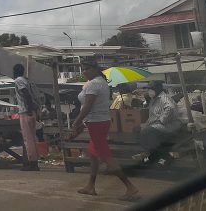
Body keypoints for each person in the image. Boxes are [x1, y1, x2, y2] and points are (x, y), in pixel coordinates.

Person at [72, 61, 139, 201]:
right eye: (82, 69)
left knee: (105, 156)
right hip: (98, 121)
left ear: (95, 69)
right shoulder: (100, 82)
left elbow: (88, 106)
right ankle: (91, 186)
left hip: (96, 122)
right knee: (93, 155)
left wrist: (76, 121)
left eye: (87, 68)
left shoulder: (94, 84)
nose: (84, 71)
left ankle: (130, 186)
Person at [134, 80, 182, 166]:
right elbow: (152, 116)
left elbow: (170, 108)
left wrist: (161, 120)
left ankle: (162, 156)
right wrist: (146, 124)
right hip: (156, 125)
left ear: (157, 89)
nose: (149, 91)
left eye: (150, 89)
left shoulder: (164, 98)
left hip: (168, 125)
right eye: (148, 89)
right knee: (136, 130)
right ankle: (153, 154)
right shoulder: (154, 100)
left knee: (146, 132)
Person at [13, 64, 40, 171]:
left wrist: (28, 109)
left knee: (28, 139)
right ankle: (34, 162)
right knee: (32, 138)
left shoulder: (18, 81)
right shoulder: (26, 80)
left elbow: (27, 95)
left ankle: (32, 163)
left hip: (26, 111)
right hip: (31, 111)